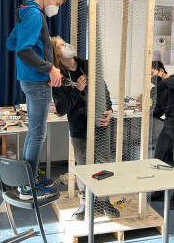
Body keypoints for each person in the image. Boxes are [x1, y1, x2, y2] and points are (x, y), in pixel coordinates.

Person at [6, 0, 67, 199]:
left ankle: (28, 180)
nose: (57, 8)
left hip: (29, 80)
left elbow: (11, 43)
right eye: (57, 3)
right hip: (37, 81)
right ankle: (29, 188)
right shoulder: (34, 14)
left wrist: (41, 42)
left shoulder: (25, 12)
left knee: (34, 132)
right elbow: (23, 51)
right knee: (38, 133)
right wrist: (50, 68)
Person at [51, 36, 120, 221]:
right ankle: (85, 202)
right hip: (79, 127)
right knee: (83, 167)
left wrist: (110, 110)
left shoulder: (88, 65)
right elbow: (61, 109)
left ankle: (104, 201)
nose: (65, 46)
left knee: (104, 163)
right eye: (60, 46)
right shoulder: (58, 76)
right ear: (56, 54)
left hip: (101, 126)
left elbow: (104, 90)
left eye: (65, 42)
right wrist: (78, 89)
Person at [150, 61, 174, 210]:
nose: (151, 78)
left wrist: (160, 81)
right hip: (168, 127)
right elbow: (159, 111)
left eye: (152, 74)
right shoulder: (157, 89)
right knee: (158, 159)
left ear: (160, 71)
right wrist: (147, 108)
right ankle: (159, 191)